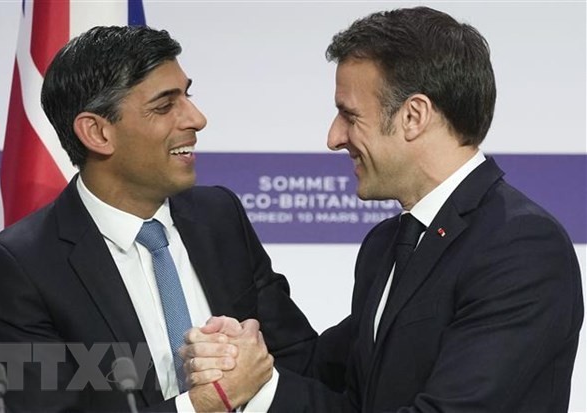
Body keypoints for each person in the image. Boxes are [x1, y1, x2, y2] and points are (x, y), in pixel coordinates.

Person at [184, 6, 584, 412]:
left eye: (349, 115)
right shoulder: (387, 244)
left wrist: (262, 388)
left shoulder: (520, 247)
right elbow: (337, 387)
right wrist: (240, 358)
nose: (334, 137)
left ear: (413, 116)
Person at [0, 25, 318, 412]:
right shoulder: (20, 266)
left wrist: (257, 368)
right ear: (97, 132)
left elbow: (300, 359)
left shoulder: (220, 216)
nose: (197, 119)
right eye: (165, 105)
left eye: (187, 96)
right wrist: (210, 401)